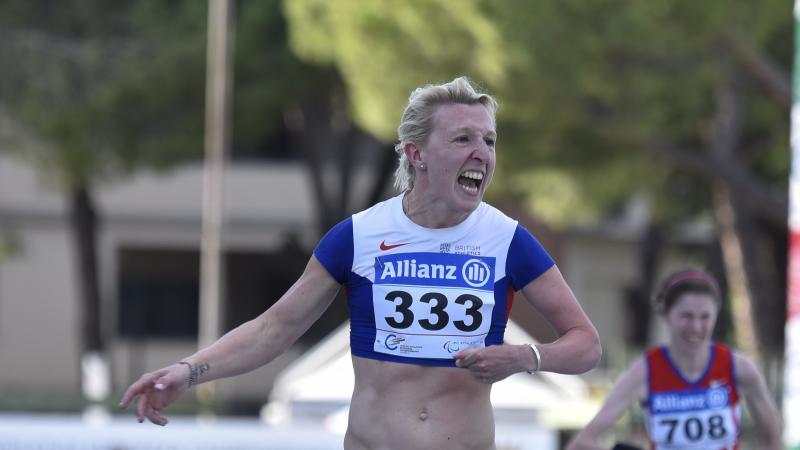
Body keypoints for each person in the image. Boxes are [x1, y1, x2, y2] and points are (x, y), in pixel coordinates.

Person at [120, 76, 602, 449]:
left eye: (490, 141)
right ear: (416, 154)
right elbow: (273, 330)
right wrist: (188, 370)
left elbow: (586, 345)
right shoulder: (360, 235)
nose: (482, 154)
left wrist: (525, 357)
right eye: (463, 140)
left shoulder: (507, 240)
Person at [566, 269, 782, 450]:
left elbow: (774, 441)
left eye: (705, 317)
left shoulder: (739, 368)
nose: (696, 327)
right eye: (686, 316)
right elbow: (581, 443)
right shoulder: (645, 371)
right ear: (666, 313)